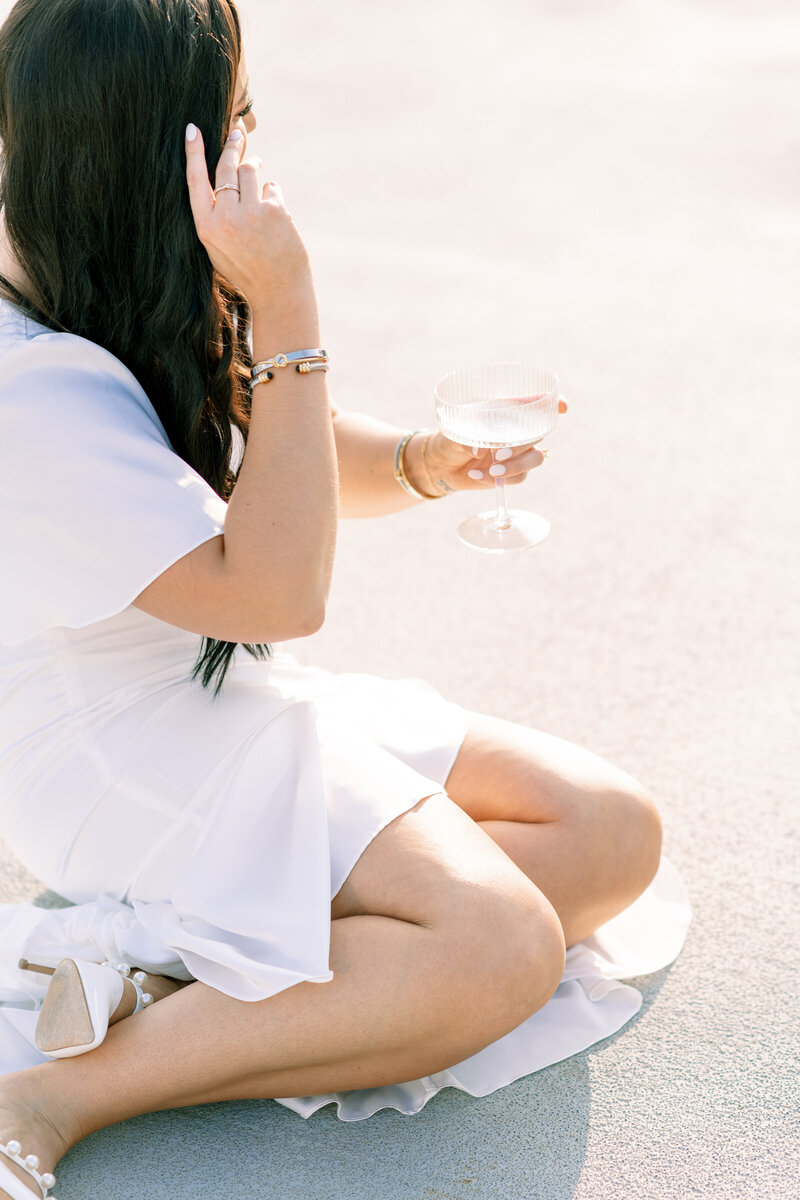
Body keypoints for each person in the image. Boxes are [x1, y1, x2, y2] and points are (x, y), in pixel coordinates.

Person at [0, 0, 687, 1195]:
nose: (254, 151)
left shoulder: (86, 254)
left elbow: (268, 446)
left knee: (606, 832)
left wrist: (420, 459)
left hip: (222, 710)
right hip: (122, 758)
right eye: (237, 121)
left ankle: (182, 972)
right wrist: (288, 304)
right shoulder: (28, 396)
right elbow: (270, 592)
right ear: (145, 148)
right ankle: (58, 1087)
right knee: (498, 944)